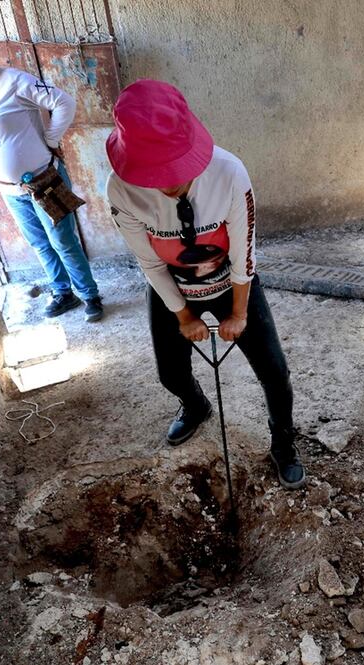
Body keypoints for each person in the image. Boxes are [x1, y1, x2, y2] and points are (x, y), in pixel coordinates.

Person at [104, 80, 305, 490]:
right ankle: (195, 405)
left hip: (233, 283)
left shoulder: (229, 172)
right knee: (170, 374)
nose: (167, 184)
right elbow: (149, 262)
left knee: (275, 372)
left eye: (174, 170)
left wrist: (239, 313)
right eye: (155, 174)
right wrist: (183, 316)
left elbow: (244, 251)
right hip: (172, 288)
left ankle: (283, 443)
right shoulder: (120, 189)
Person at [0, 27, 103, 321]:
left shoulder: (14, 81)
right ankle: (63, 292)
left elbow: (64, 102)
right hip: (9, 190)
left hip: (44, 181)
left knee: (63, 242)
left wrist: (51, 140)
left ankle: (90, 295)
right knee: (39, 243)